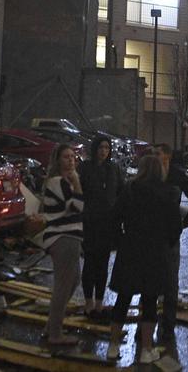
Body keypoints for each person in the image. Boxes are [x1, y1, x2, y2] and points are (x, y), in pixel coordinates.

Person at [107, 155, 182, 365]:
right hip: (155, 251)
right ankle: (146, 350)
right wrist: (167, 242)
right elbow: (175, 226)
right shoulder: (169, 193)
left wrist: (120, 239)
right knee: (149, 301)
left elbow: (114, 216)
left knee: (123, 298)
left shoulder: (130, 190)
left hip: (130, 248)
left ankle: (113, 346)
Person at [152, 143, 188, 340]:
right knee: (150, 279)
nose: (157, 157)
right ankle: (147, 322)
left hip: (170, 235)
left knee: (170, 280)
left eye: (160, 154)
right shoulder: (149, 173)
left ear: (169, 156)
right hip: (149, 233)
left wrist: (185, 223)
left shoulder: (176, 175)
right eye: (155, 154)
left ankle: (168, 323)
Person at [41, 144, 84, 346]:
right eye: (66, 157)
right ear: (58, 160)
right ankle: (55, 334)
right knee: (63, 286)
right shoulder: (59, 182)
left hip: (70, 237)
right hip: (63, 237)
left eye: (73, 157)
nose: (71, 160)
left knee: (73, 281)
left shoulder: (61, 182)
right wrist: (77, 183)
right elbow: (78, 206)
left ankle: (52, 325)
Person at [78, 135, 124, 318]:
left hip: (108, 223)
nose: (104, 151)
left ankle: (99, 302)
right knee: (90, 262)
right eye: (101, 147)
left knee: (103, 264)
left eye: (107, 148)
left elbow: (121, 191)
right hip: (90, 222)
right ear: (95, 149)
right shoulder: (86, 169)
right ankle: (88, 301)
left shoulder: (113, 169)